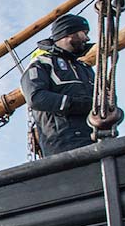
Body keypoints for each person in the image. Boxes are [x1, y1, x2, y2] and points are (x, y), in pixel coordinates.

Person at [20, 13, 106, 157]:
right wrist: (79, 104)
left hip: (98, 139)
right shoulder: (41, 63)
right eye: (83, 33)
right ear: (68, 32)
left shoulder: (84, 67)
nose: (87, 38)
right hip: (64, 145)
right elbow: (36, 98)